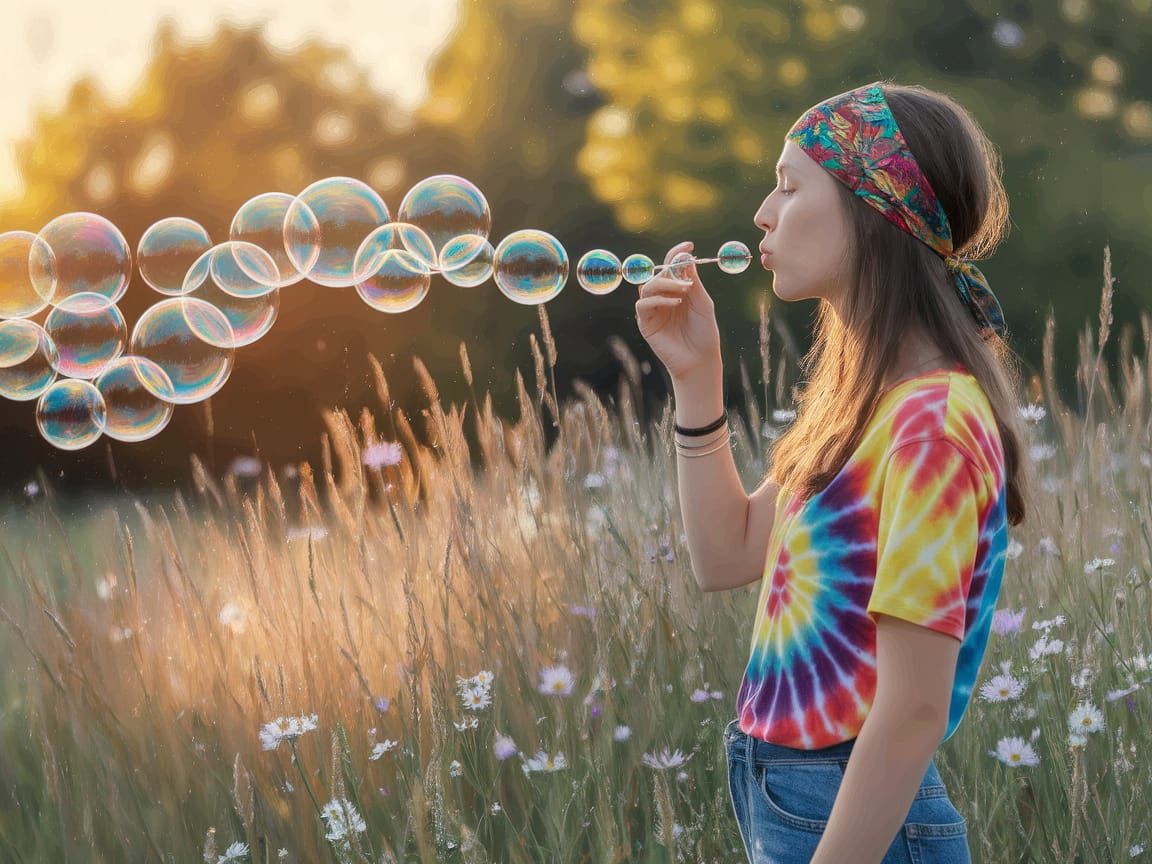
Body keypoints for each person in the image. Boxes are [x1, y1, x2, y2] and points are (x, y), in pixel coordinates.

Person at [634, 80, 1037, 864]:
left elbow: (914, 708)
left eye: (789, 185)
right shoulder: (872, 408)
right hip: (792, 797)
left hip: (856, 816)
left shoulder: (933, 426)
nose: (763, 212)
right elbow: (726, 555)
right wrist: (696, 377)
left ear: (872, 206)